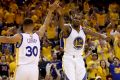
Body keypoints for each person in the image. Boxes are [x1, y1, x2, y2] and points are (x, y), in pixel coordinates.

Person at [0, 1, 59, 80]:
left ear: (23, 27)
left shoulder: (20, 36)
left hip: (22, 69)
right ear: (33, 26)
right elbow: (45, 24)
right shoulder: (38, 35)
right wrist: (50, 11)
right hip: (34, 69)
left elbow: (7, 39)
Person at [57, 6, 108, 80]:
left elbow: (93, 33)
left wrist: (102, 36)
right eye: (75, 18)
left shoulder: (83, 30)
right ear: (72, 19)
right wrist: (61, 15)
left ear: (81, 20)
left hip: (79, 58)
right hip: (69, 58)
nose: (77, 20)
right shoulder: (68, 28)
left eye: (78, 19)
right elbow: (61, 26)